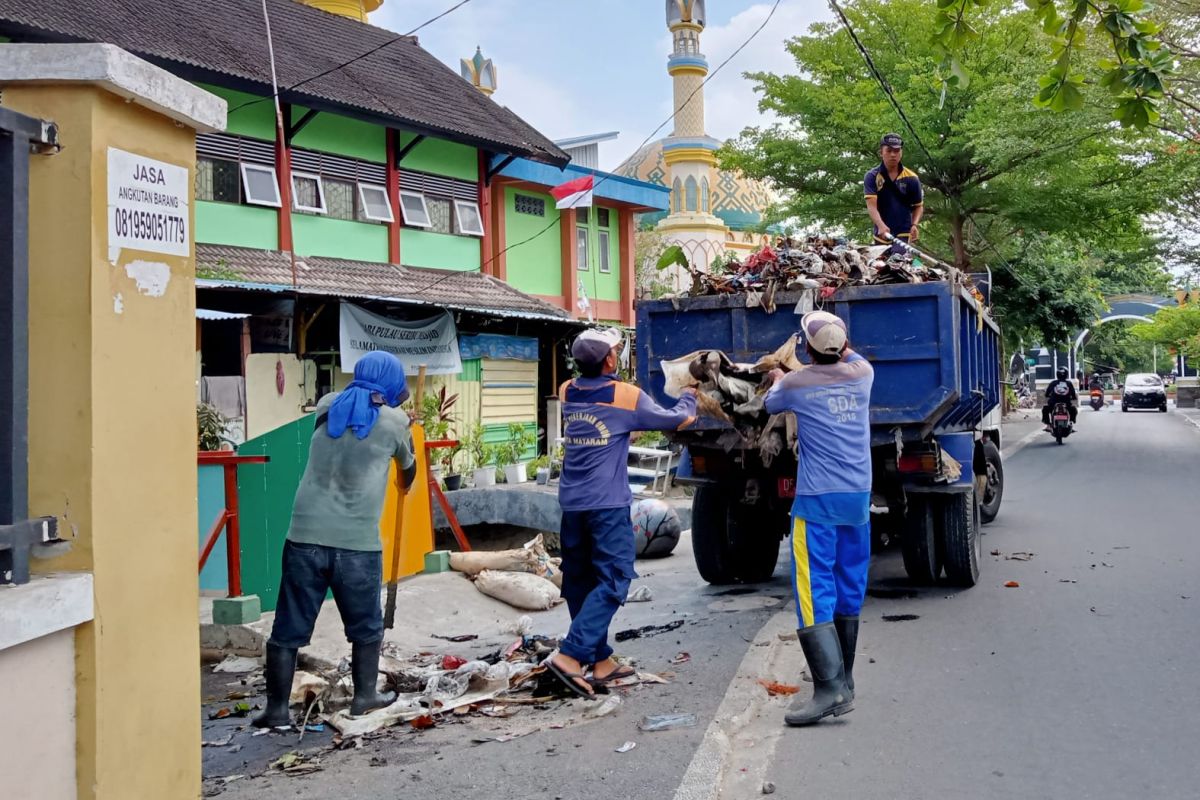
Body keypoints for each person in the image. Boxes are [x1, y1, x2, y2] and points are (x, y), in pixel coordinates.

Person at [253, 351, 417, 728]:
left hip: (303, 536)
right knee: (366, 625)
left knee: (288, 625)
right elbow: (407, 473)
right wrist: (402, 472)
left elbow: (349, 424)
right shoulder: (395, 423)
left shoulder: (327, 406)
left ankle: (276, 710)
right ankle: (364, 697)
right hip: (356, 543)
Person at [544, 328, 698, 698]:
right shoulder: (625, 396)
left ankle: (599, 661)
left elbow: (609, 422)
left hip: (572, 503)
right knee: (614, 579)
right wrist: (690, 399)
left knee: (580, 581)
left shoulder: (568, 391)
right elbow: (675, 420)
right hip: (606, 504)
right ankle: (570, 655)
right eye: (615, 351)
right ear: (610, 361)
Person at [764, 310, 874, 727]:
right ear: (842, 345)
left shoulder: (795, 384)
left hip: (816, 503)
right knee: (849, 584)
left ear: (807, 349)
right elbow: (849, 354)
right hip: (857, 500)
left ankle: (828, 690)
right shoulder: (862, 374)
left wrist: (777, 378)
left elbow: (771, 403)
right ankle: (844, 680)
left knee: (813, 591)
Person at [864, 133, 924, 247]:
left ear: (901, 153)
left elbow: (918, 206)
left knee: (899, 262)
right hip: (881, 233)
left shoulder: (912, 178)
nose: (893, 154)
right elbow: (871, 206)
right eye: (889, 150)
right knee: (881, 264)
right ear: (881, 152)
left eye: (896, 151)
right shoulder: (872, 176)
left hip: (904, 232)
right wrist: (880, 225)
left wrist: (914, 225)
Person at [1042, 367, 1078, 431]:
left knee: (1045, 409)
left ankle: (1048, 425)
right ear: (1067, 374)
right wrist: (1073, 397)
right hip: (1067, 404)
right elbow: (1073, 394)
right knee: (1074, 410)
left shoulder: (1053, 383)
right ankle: (1071, 423)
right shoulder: (1069, 383)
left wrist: (1047, 395)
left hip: (1053, 404)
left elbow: (1047, 393)